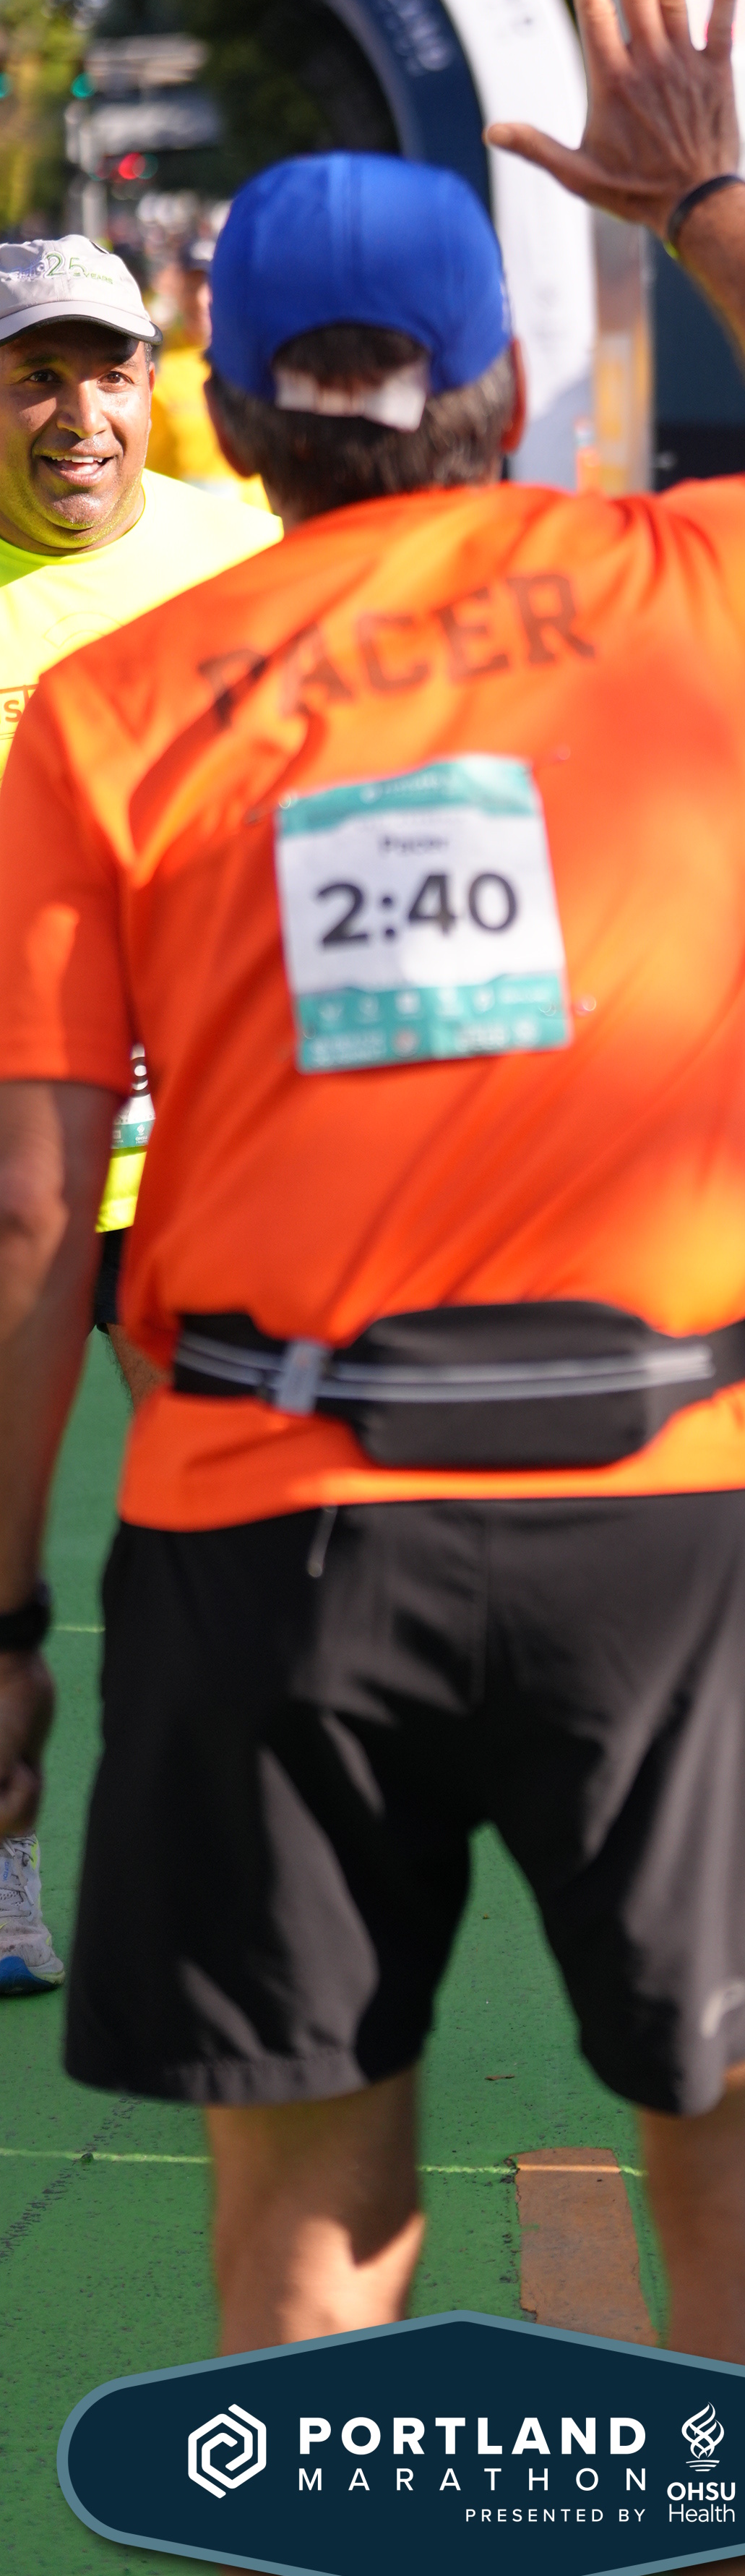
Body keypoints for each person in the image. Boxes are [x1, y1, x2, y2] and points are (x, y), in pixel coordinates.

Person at [0, 0, 745, 2576]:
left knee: (310, 2237)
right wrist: (709, 200)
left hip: (274, 1523)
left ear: (221, 403)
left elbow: (32, 1218)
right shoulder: (689, 583)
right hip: (678, 1501)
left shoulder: (104, 715)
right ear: (501, 383)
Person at [0, 233, 275, 1996]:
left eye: (107, 371)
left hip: (205, 1167)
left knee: (227, 1548)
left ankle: (223, 1878)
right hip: (17, 1167)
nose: (77, 414)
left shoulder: (238, 550)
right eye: (33, 376)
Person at [144, 239, 268, 506]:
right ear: (178, 290)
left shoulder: (256, 356)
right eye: (192, 287)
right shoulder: (151, 359)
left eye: (211, 286)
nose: (200, 300)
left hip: (251, 522)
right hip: (179, 521)